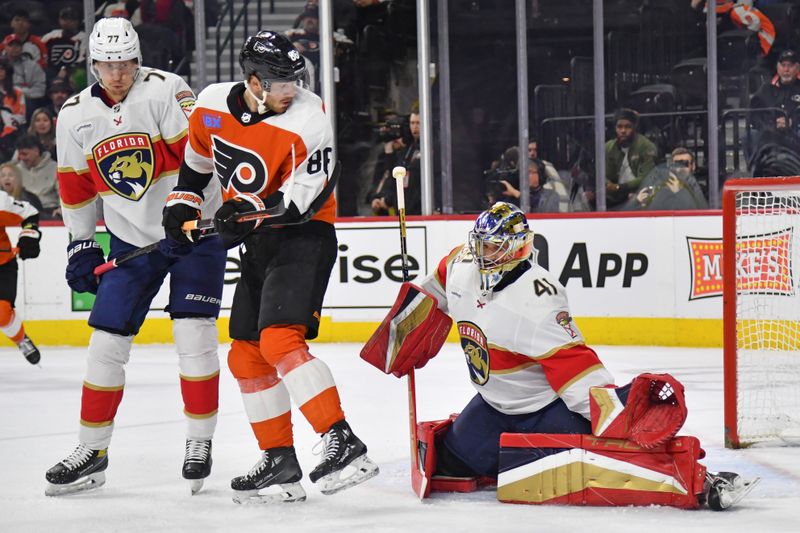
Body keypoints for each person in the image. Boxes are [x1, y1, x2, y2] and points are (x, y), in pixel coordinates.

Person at [362, 201, 758, 510]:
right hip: (492, 403)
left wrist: (618, 413)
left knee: (603, 463)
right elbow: (435, 287)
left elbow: (577, 372)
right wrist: (406, 327)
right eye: (480, 245)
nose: (483, 254)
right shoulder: (461, 263)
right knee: (449, 465)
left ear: (518, 248)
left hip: (545, 408)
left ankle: (696, 478)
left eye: (494, 247)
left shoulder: (539, 301)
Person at [161, 30, 378, 503]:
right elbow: (197, 166)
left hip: (303, 235)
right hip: (259, 241)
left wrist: (244, 212)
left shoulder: (308, 117)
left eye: (294, 79)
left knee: (280, 339)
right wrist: (182, 202)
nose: (290, 90)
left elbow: (301, 201)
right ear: (253, 81)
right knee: (245, 353)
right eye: (280, 82)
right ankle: (279, 459)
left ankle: (341, 439)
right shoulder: (212, 105)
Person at [45, 17, 226, 497]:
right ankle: (92, 450)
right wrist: (82, 242)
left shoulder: (167, 90)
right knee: (106, 342)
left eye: (124, 63)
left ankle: (198, 442)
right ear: (93, 64)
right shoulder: (72, 114)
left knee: (193, 333)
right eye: (107, 64)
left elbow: (200, 158)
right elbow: (75, 187)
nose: (117, 73)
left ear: (137, 59)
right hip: (129, 241)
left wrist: (183, 210)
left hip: (193, 230)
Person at [0, 177, 41, 365]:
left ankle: (21, 339)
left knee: (2, 313)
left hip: (2, 265)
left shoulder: (1, 203)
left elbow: (29, 214)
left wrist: (29, 237)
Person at [367, 111, 421, 215]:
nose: (414, 127)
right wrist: (383, 199)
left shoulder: (424, 149)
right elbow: (393, 178)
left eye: (418, 123)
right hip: (401, 212)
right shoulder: (406, 151)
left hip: (417, 211)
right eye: (412, 123)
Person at [602, 108, 658, 209]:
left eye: (627, 127)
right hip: (615, 198)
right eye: (619, 127)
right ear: (615, 128)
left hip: (640, 195)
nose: (623, 131)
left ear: (634, 127)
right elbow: (603, 175)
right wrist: (608, 184)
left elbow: (646, 178)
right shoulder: (608, 148)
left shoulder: (646, 146)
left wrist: (619, 187)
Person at [627, 147, 709, 210]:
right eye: (676, 164)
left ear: (693, 166)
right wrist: (636, 202)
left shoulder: (700, 189)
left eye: (684, 164)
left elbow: (703, 214)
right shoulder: (659, 186)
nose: (679, 169)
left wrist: (680, 193)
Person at [750, 49, 800, 134]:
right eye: (783, 65)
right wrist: (770, 124)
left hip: (795, 134)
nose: (786, 69)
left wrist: (792, 122)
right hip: (769, 134)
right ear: (777, 67)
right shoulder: (766, 89)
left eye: (790, 65)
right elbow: (753, 115)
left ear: (797, 68)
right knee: (750, 135)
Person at [15, 135, 59, 219]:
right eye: (20, 154)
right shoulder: (16, 170)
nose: (21, 158)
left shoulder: (55, 168)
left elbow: (62, 193)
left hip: (49, 212)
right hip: (23, 211)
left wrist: (61, 209)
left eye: (25, 154)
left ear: (36, 151)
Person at [495, 156, 560, 213]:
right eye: (523, 173)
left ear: (540, 175)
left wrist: (517, 194)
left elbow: (542, 213)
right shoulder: (513, 197)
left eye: (530, 172)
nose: (526, 176)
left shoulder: (551, 195)